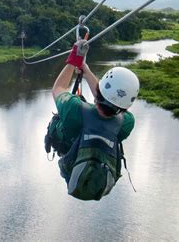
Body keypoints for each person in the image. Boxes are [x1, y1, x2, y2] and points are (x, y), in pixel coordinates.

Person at [45, 39, 140, 200]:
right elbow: (112, 103)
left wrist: (75, 59)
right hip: (101, 180)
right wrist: (86, 71)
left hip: (71, 168)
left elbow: (58, 88)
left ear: (100, 90)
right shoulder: (126, 123)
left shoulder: (74, 109)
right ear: (127, 106)